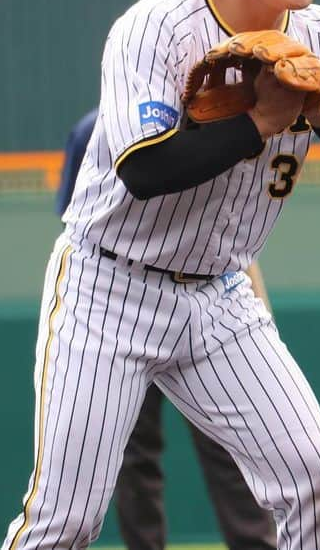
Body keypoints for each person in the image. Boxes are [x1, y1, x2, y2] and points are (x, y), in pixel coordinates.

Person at [2, 0, 320, 550]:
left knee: (316, 479)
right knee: (65, 522)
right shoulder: (156, 26)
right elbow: (145, 170)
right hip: (109, 286)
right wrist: (260, 121)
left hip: (222, 296)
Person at [56, 108, 276, 550]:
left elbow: (233, 237)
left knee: (233, 450)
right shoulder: (93, 129)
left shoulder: (220, 115)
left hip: (208, 302)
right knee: (132, 459)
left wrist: (260, 315)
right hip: (121, 308)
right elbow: (77, 230)